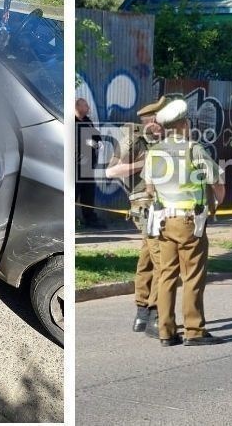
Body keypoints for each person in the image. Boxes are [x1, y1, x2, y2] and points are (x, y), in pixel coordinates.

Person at [143, 99, 225, 347]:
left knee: (166, 275)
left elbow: (149, 189)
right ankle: (194, 330)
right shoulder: (193, 149)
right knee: (192, 276)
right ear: (184, 124)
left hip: (163, 221)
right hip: (190, 221)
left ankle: (166, 332)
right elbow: (217, 182)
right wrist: (216, 205)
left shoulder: (153, 152)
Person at [105, 96, 167, 336]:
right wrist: (143, 164)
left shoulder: (164, 139)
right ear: (152, 120)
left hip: (163, 203)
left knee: (148, 257)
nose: (165, 125)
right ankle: (155, 314)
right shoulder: (133, 137)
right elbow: (111, 171)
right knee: (164, 259)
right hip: (145, 204)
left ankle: (141, 313)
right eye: (162, 120)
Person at [75, 98, 106, 228]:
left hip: (88, 167)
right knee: (73, 193)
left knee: (88, 194)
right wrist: (90, 142)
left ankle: (90, 219)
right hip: (75, 167)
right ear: (78, 107)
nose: (88, 108)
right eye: (86, 105)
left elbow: (96, 137)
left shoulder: (87, 121)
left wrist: (97, 143)